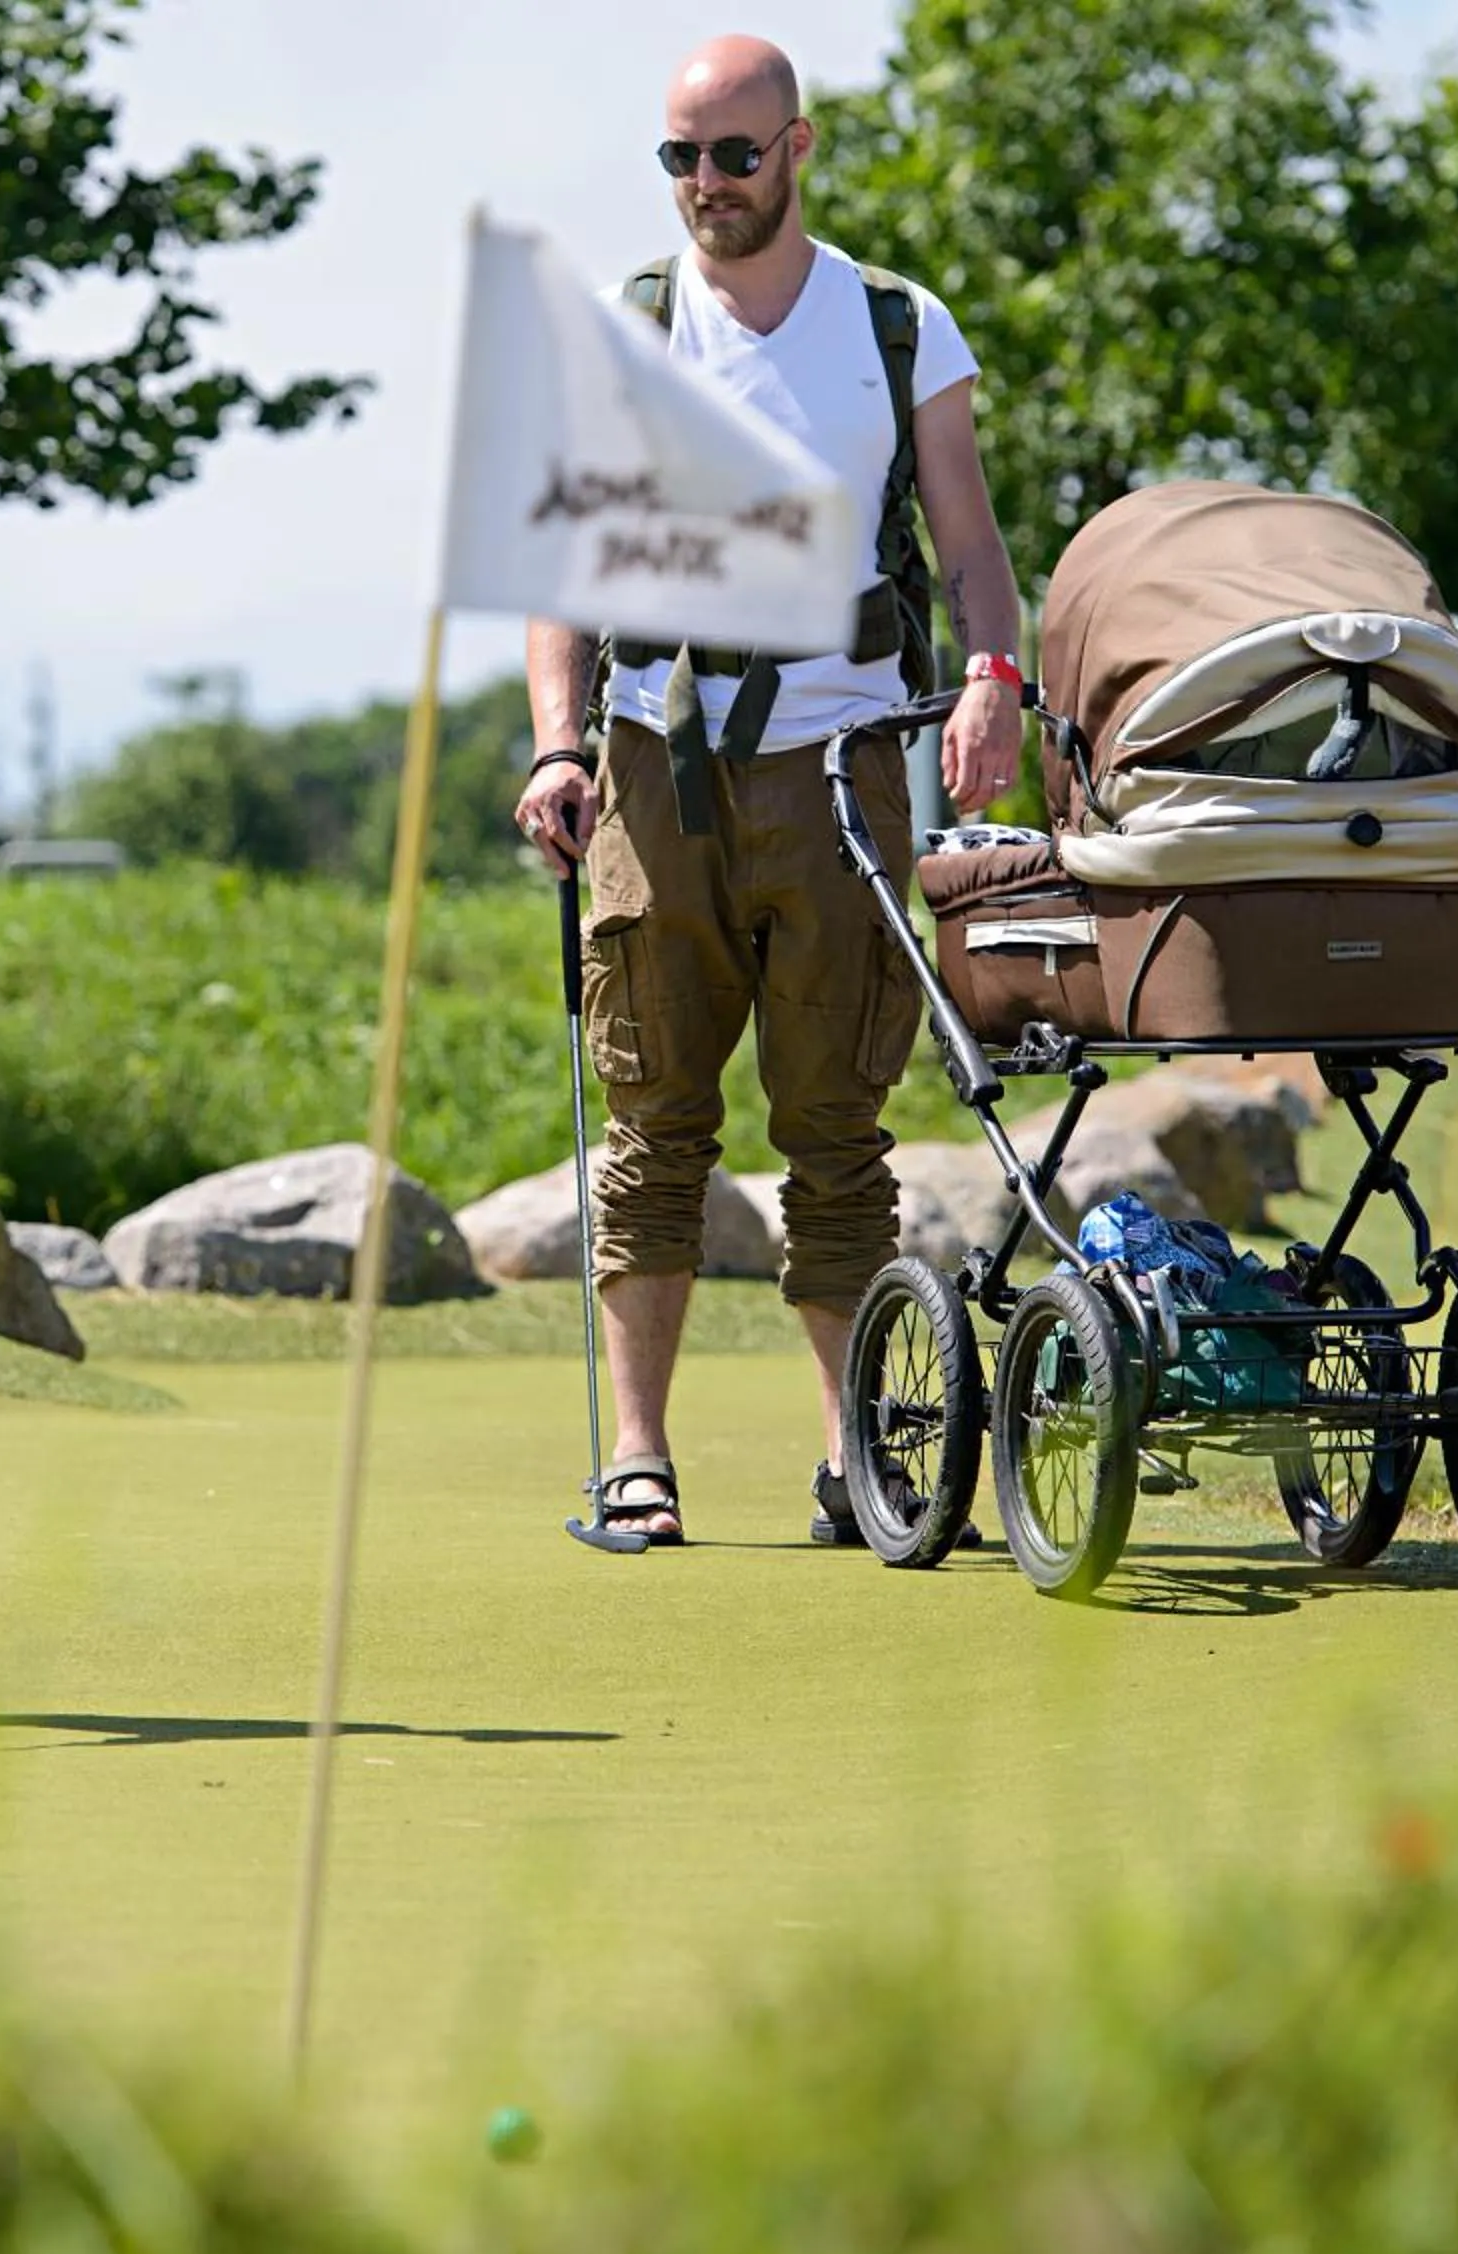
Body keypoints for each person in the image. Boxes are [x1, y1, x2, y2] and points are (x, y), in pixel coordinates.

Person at [514, 33, 1025, 1546]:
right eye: (678, 158)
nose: (705, 187)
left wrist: (993, 682)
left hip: (845, 762)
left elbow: (972, 552)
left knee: (835, 1130)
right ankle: (638, 1459)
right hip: (652, 769)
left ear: (798, 148)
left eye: (734, 155)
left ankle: (853, 1460)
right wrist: (556, 745)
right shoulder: (625, 328)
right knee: (651, 1119)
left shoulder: (896, 325)